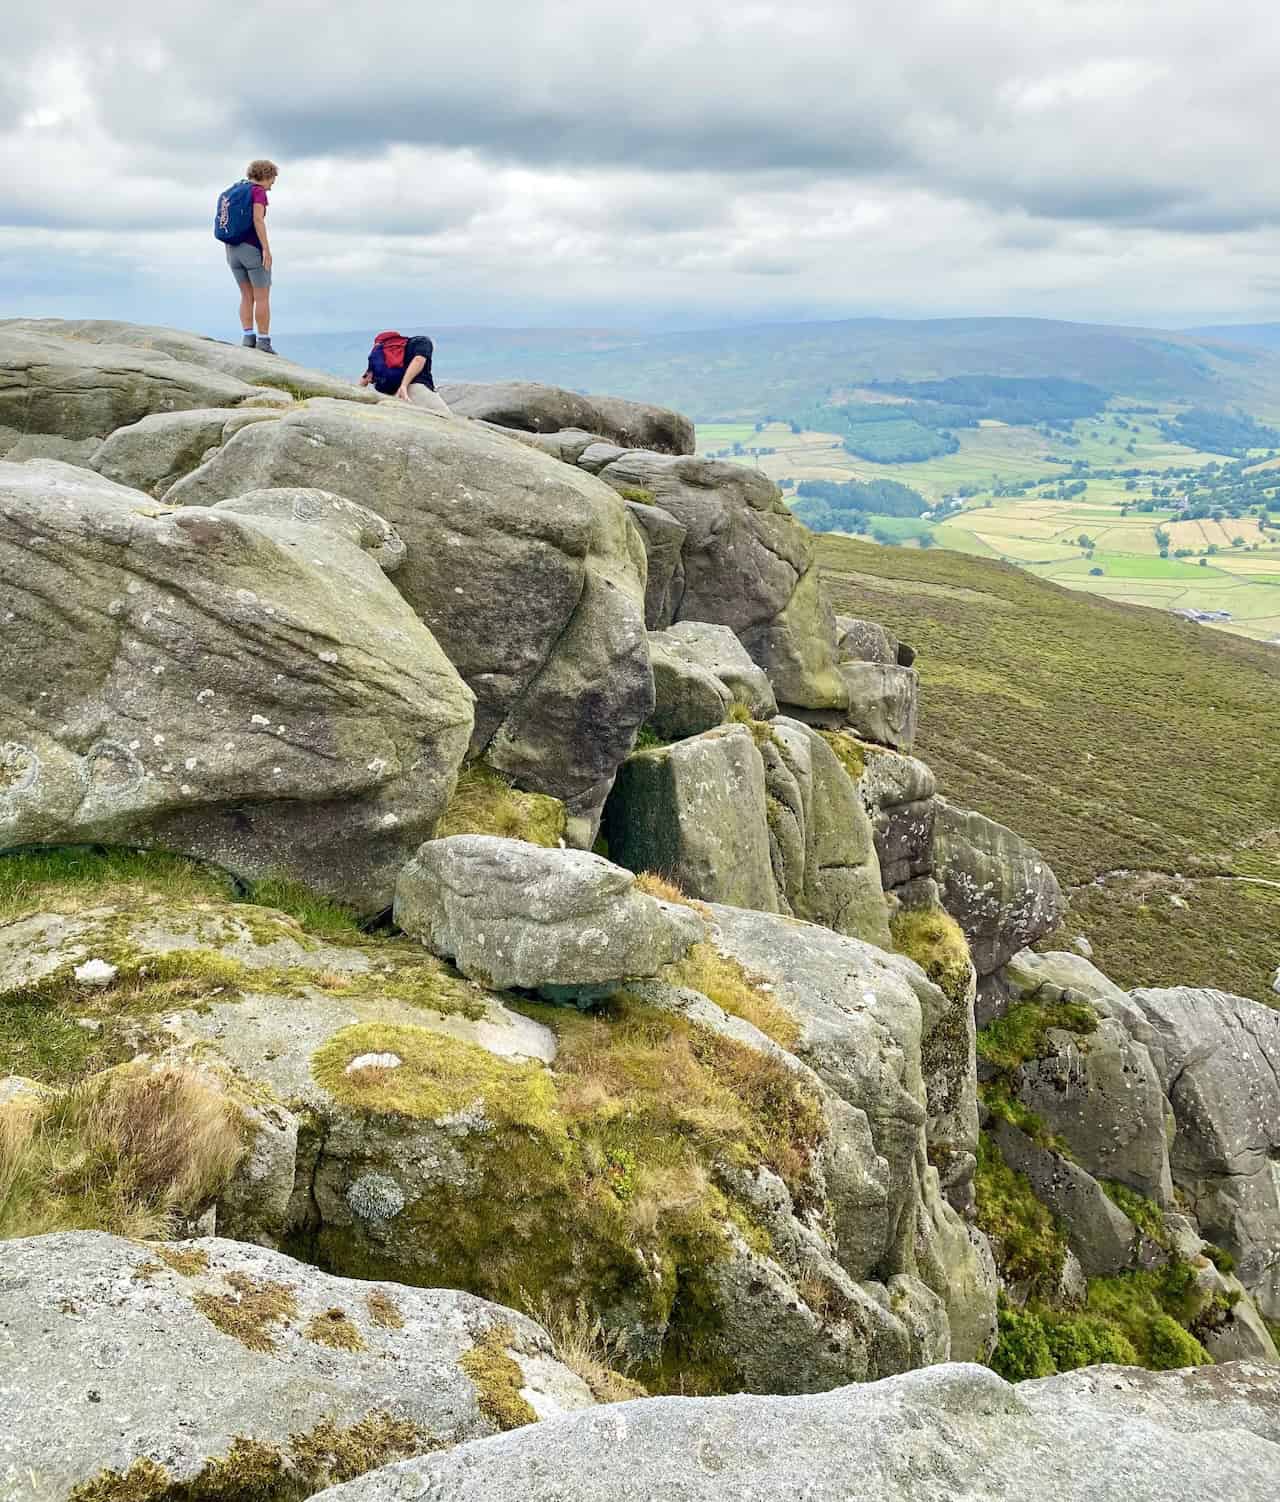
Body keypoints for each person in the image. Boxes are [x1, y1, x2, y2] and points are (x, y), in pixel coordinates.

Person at [221, 159, 279, 354]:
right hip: (252, 249)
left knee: (246, 296)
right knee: (262, 297)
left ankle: (248, 337)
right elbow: (257, 219)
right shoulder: (257, 192)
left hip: (231, 250)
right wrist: (266, 249)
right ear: (266, 175)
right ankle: (263, 341)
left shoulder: (236, 189)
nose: (272, 184)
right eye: (272, 179)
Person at [360, 331, 452, 415]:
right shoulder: (424, 342)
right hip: (413, 389)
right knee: (447, 417)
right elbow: (418, 360)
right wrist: (404, 386)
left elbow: (366, 377)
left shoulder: (385, 353)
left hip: (391, 393)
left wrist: (357, 396)